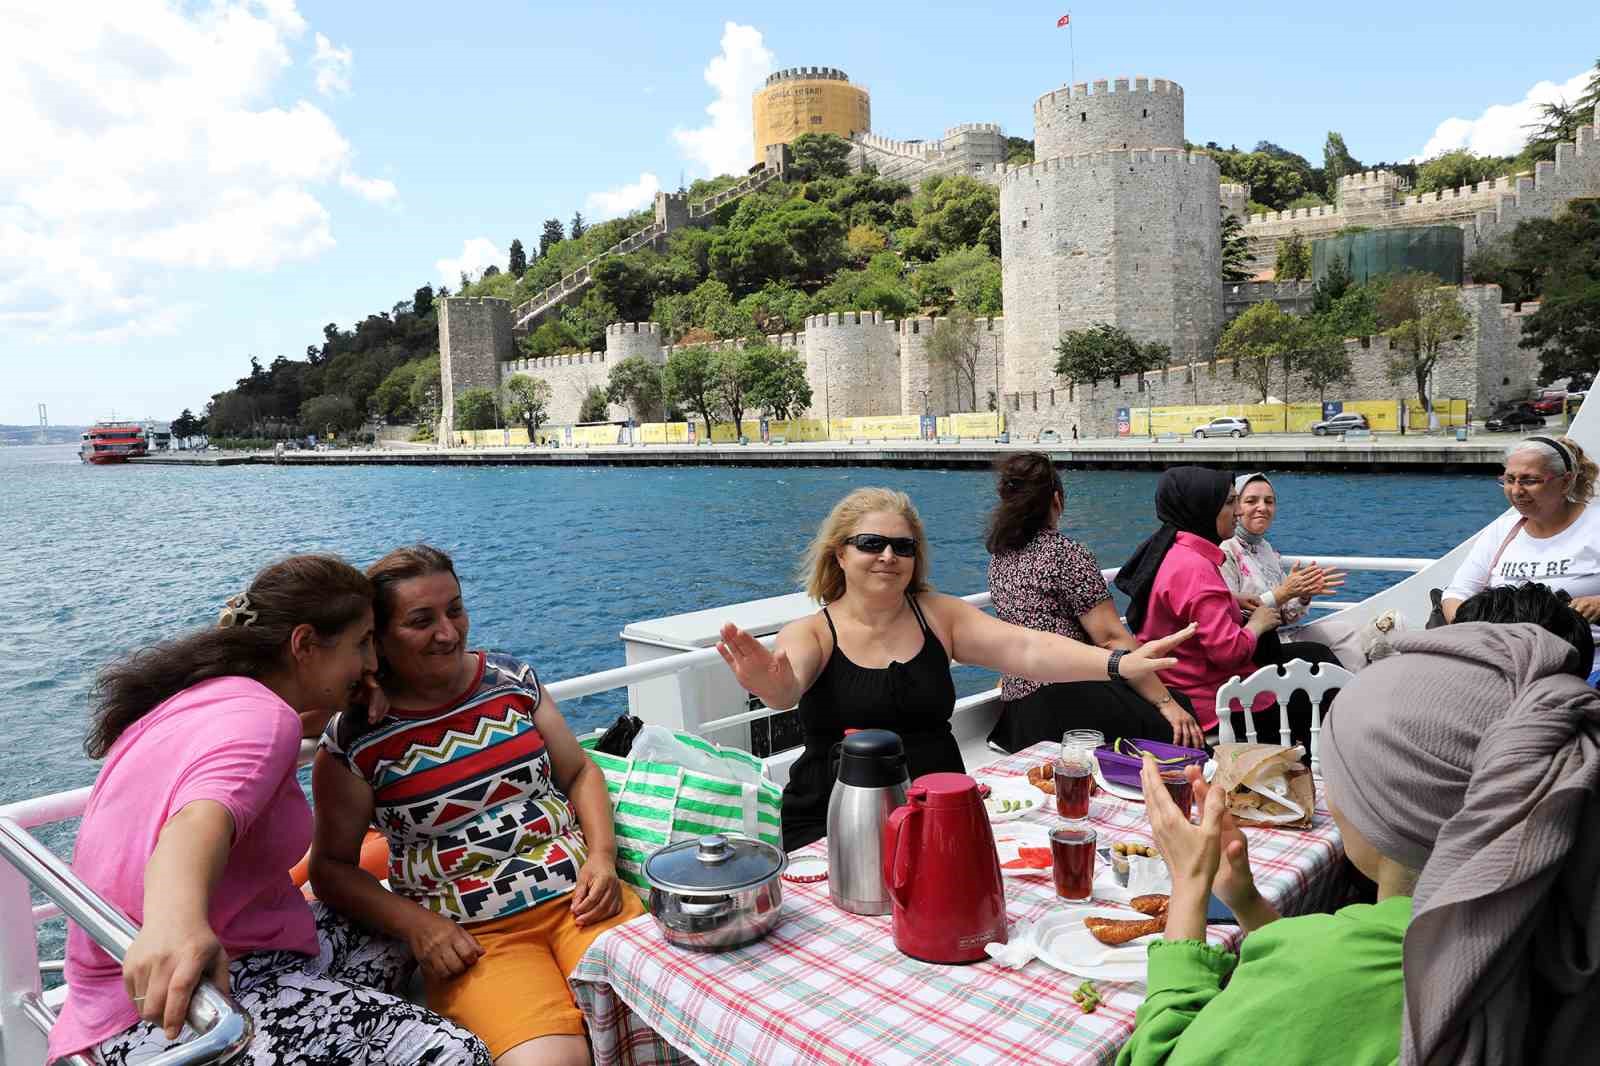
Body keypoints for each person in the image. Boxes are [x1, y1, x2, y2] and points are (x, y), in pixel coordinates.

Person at [1117, 584, 1600, 1066]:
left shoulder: (1338, 970)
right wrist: (1246, 902)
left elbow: (1162, 1056)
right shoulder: (1557, 921)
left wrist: (1189, 888)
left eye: (1341, 773)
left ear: (1385, 807)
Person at [51, 555, 489, 1066]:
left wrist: (340, 702)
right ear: (304, 644)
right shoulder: (264, 722)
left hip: (126, 990)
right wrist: (178, 925)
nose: (372, 664)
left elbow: (246, 751)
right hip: (184, 1005)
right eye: (361, 644)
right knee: (453, 1053)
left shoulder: (207, 696)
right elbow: (197, 821)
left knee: (403, 932)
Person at [715, 487, 1195, 851]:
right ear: (839, 554)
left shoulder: (938, 616)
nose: (888, 556)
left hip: (939, 808)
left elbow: (1025, 649)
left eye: (903, 547)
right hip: (836, 816)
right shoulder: (811, 632)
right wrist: (771, 684)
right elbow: (784, 688)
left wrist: (1118, 662)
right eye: (870, 543)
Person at [310, 545, 644, 1066]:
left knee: (663, 1023)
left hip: (584, 903)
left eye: (455, 609)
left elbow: (579, 772)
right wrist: (418, 927)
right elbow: (330, 868)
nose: (447, 632)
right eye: (421, 621)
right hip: (477, 940)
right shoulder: (355, 740)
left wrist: (601, 857)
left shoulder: (512, 681)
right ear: (376, 639)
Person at [985, 453, 1205, 752]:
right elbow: (1112, 638)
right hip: (1066, 701)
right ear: (1057, 500)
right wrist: (1165, 702)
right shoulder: (1065, 554)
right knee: (1181, 723)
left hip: (1020, 712)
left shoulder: (999, 558)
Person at [1113, 468, 1287, 743]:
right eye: (1231, 502)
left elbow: (1181, 604)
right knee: (1310, 688)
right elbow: (1228, 652)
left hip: (1176, 683)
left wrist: (1230, 600)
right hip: (1212, 704)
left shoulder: (1171, 552)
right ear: (1204, 507)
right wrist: (1257, 624)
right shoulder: (1196, 569)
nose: (1239, 512)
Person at [1441, 435, 1600, 678]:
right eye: (1509, 480)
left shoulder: (1595, 525)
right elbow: (1457, 593)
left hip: (1583, 667)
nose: (1516, 491)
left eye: (1530, 480)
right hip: (1502, 664)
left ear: (1566, 482)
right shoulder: (1501, 531)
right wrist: (1474, 637)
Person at [1219, 472, 1353, 674]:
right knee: (1321, 653)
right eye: (1251, 501)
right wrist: (1285, 592)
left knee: (1348, 632)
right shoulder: (1225, 550)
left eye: (1269, 501)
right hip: (1256, 648)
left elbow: (1286, 616)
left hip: (1281, 636)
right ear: (1236, 507)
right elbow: (1229, 614)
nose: (1262, 507)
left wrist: (1304, 594)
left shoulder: (1266, 549)